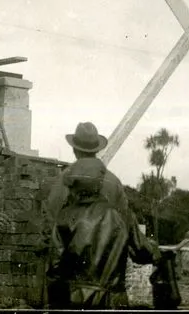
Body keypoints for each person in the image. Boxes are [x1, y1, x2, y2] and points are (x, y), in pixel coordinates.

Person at [42, 122, 158, 306]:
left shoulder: (63, 182)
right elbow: (130, 234)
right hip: (112, 293)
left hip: (73, 294)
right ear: (96, 150)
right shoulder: (114, 182)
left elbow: (50, 236)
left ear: (74, 150)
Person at [46, 157, 133, 309]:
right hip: (114, 301)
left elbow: (55, 267)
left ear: (77, 189)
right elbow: (144, 252)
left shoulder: (65, 217)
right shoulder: (122, 216)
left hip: (77, 300)